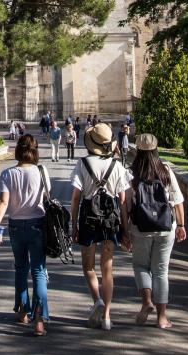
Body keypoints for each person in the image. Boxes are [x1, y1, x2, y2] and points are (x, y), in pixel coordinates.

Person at [70, 123, 131, 331]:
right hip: (110, 219)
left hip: (88, 216)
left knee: (88, 267)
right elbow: (123, 201)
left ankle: (97, 300)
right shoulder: (118, 166)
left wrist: (73, 225)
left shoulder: (83, 164)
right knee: (107, 270)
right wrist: (125, 229)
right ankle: (106, 317)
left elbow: (76, 199)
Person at [0, 134, 51, 336]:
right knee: (38, 270)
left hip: (16, 225)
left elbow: (3, 202)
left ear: (18, 150)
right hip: (37, 224)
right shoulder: (42, 172)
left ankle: (23, 310)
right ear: (35, 151)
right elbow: (46, 199)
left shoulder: (8, 174)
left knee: (20, 268)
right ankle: (40, 318)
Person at [128, 134, 186, 329]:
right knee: (161, 271)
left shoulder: (131, 173)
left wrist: (124, 229)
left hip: (140, 228)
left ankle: (146, 302)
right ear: (155, 150)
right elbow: (177, 201)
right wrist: (181, 225)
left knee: (140, 266)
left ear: (138, 151)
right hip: (164, 227)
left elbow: (126, 204)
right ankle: (162, 318)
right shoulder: (165, 170)